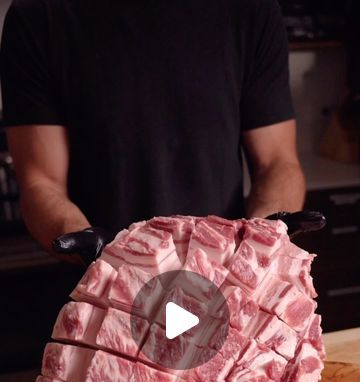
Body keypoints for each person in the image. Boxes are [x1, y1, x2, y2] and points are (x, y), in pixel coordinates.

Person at [0, 0, 305, 257]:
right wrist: (89, 246)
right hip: (102, 290)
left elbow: (277, 162)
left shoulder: (250, 10)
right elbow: (41, 182)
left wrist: (264, 237)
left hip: (221, 280)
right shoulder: (39, 14)